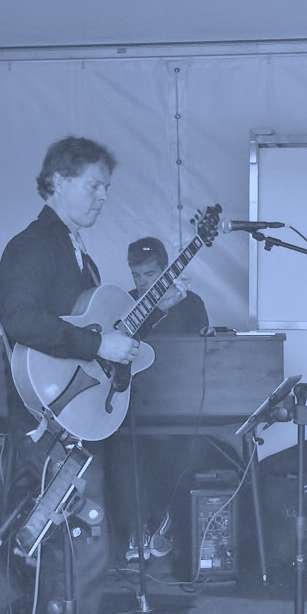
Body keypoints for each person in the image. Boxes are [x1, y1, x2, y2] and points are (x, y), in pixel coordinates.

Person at [0, 136, 139, 614]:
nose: (103, 196)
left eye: (106, 187)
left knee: (80, 546)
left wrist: (117, 344)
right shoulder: (33, 247)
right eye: (93, 185)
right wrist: (97, 342)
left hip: (72, 422)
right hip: (49, 426)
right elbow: (20, 319)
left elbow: (95, 337)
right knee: (76, 548)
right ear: (57, 181)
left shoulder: (80, 256)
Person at [115, 236, 210, 562]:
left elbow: (202, 356)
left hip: (179, 409)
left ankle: (165, 524)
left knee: (190, 450)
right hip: (134, 406)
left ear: (166, 270)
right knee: (124, 451)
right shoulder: (125, 304)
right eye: (136, 275)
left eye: (150, 275)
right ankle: (138, 530)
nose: (142, 283)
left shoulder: (192, 304)